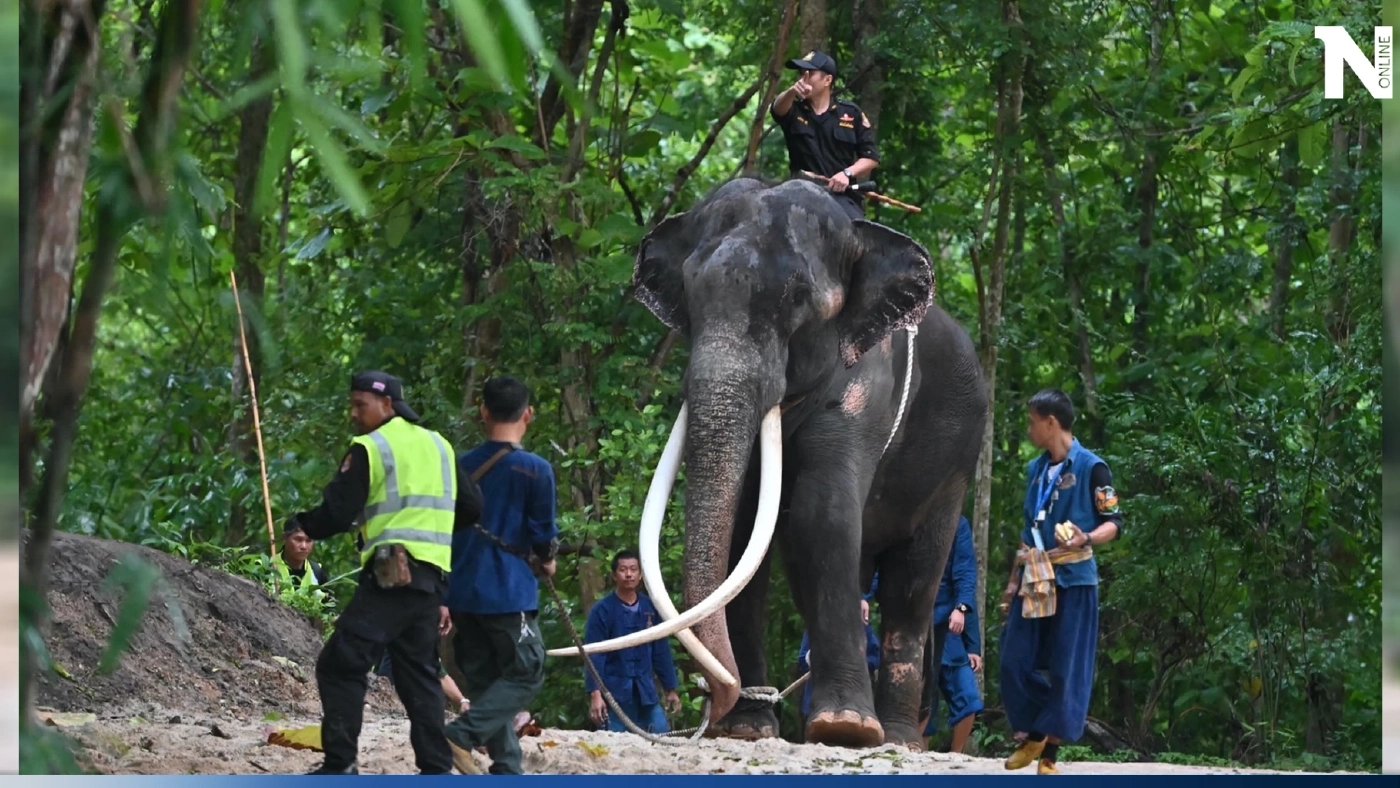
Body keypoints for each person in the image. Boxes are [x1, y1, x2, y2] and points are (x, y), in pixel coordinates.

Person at [292, 371, 482, 776]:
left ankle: (341, 763)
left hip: (393, 575)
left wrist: (304, 522)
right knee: (418, 673)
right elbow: (471, 508)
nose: (353, 413)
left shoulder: (370, 448)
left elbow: (337, 514)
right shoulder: (438, 444)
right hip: (431, 578)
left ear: (387, 406)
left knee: (340, 663)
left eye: (360, 405)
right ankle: (434, 766)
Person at [998, 389, 1123, 775]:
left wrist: (1086, 537)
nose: (1029, 430)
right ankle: (1038, 730)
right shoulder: (1037, 470)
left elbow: (1114, 523)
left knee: (1067, 667)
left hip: (1075, 578)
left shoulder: (1092, 467)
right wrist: (1012, 581)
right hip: (1036, 575)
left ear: (1051, 422)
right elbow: (1027, 531)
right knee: (1013, 659)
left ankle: (1048, 755)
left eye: (1033, 422)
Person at [443, 376, 560, 776]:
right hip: (508, 591)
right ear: (528, 414)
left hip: (461, 588)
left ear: (483, 412)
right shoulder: (535, 470)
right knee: (528, 672)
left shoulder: (459, 465)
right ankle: (460, 735)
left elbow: (442, 529)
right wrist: (547, 561)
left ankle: (507, 767)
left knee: (484, 678)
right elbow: (543, 536)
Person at [769, 49, 881, 221]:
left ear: (827, 80)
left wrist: (846, 174)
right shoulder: (793, 108)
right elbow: (777, 109)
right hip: (799, 193)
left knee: (859, 237)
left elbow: (871, 157)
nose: (802, 79)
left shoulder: (850, 113)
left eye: (810, 73)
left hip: (840, 198)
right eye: (801, 74)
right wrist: (792, 91)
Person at [582, 549, 682, 735]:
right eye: (623, 570)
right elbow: (594, 655)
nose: (628, 574)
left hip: (646, 693)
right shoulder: (602, 611)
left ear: (640, 575)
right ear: (614, 575)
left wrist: (671, 689)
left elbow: (661, 651)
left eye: (633, 569)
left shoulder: (651, 608)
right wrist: (595, 694)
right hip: (615, 695)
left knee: (662, 736)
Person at [919, 515, 984, 753]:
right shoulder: (909, 516)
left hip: (949, 629)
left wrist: (973, 645)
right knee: (922, 702)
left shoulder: (958, 523)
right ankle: (918, 759)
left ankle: (956, 758)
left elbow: (966, 579)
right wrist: (863, 599)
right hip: (915, 628)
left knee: (968, 697)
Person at [795, 576, 881, 724]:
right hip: (816, 700)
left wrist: (854, 664)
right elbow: (803, 659)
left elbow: (876, 657)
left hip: (855, 698)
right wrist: (817, 657)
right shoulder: (816, 625)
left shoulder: (862, 627)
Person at [373, 650, 472, 716]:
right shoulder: (416, 638)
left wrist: (462, 701)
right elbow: (439, 674)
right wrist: (462, 700)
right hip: (392, 701)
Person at [277, 521, 329, 589]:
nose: (304, 546)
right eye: (298, 540)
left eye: (309, 540)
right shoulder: (267, 568)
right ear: (285, 538)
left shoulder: (317, 573)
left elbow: (329, 599)